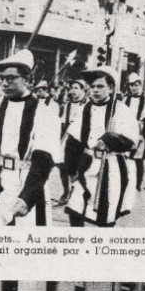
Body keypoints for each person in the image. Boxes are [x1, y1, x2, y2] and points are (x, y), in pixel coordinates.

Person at [0, 50, 61, 226]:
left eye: (11, 78)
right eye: (1, 78)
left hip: (27, 180)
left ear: (27, 79)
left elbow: (44, 159)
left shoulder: (44, 112)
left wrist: (27, 197)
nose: (4, 83)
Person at [63, 65, 140, 227]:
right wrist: (71, 169)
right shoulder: (85, 108)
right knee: (74, 209)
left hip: (111, 166)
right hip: (87, 163)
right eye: (92, 87)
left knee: (105, 215)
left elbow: (131, 141)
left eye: (100, 86)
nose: (95, 90)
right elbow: (73, 142)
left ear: (111, 88)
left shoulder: (121, 109)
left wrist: (110, 139)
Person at [120, 72, 145, 197]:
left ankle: (137, 185)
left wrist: (144, 135)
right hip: (126, 131)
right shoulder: (125, 100)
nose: (134, 88)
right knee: (124, 157)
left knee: (138, 159)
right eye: (131, 85)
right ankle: (124, 183)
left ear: (141, 86)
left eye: (136, 85)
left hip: (140, 131)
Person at [55, 77, 87, 206]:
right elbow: (62, 124)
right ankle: (66, 191)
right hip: (67, 139)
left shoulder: (88, 104)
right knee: (62, 166)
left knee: (79, 168)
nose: (73, 91)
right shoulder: (67, 105)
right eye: (71, 88)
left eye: (76, 88)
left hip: (81, 140)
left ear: (83, 90)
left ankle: (78, 193)